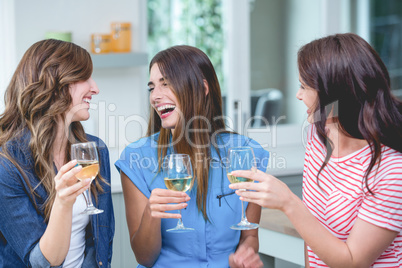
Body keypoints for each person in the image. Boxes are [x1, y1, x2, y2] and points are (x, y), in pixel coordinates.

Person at [229, 33, 402, 267]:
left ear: (335, 92)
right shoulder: (320, 138)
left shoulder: (391, 170)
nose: (299, 95)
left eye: (304, 86)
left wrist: (289, 203)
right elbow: (312, 241)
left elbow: (353, 262)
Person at [115, 45, 269, 268]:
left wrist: (245, 255)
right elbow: (144, 257)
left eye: (165, 83)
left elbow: (249, 236)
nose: (155, 96)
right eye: (152, 87)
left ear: (202, 88)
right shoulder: (136, 158)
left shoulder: (247, 153)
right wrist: (152, 212)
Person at [0, 39, 115, 267]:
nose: (95, 88)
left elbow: (99, 244)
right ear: (54, 84)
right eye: (84, 77)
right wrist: (63, 203)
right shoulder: (7, 164)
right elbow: (42, 262)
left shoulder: (95, 151)